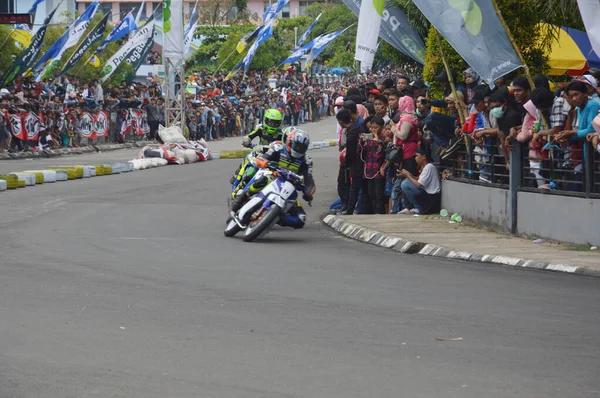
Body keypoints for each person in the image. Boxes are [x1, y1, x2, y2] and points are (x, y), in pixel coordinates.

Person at [231, 128, 315, 229]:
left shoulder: (307, 161)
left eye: (301, 148)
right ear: (289, 142)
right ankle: (241, 198)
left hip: (288, 188)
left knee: (301, 219)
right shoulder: (278, 148)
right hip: (271, 175)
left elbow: (309, 180)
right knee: (262, 179)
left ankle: (275, 217)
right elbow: (260, 158)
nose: (298, 149)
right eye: (296, 146)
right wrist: (267, 163)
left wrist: (308, 192)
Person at [397, 148, 441, 214]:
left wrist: (407, 175)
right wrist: (408, 174)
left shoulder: (429, 167)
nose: (415, 158)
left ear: (424, 157)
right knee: (407, 181)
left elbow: (418, 185)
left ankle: (418, 208)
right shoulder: (428, 166)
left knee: (405, 184)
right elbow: (420, 179)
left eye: (417, 156)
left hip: (431, 197)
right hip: (428, 195)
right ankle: (411, 207)